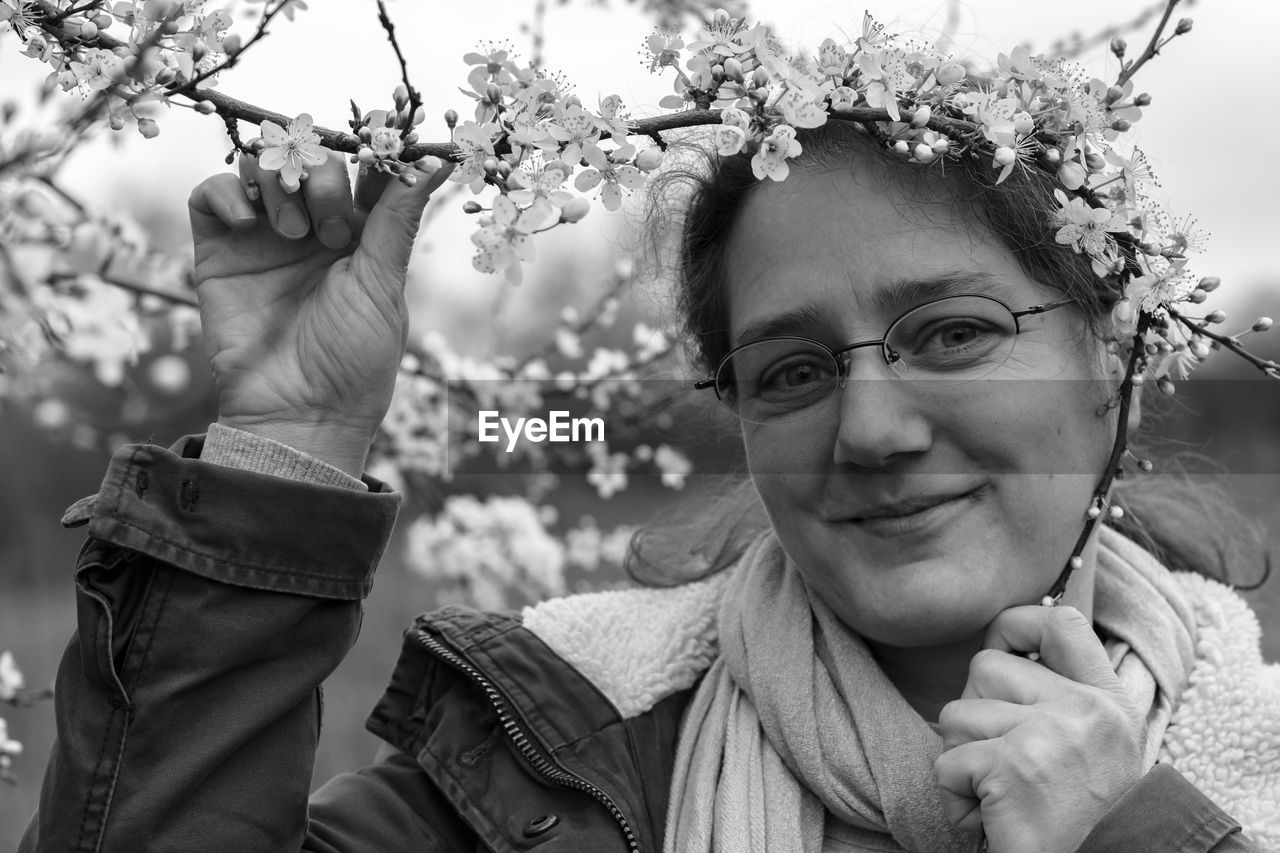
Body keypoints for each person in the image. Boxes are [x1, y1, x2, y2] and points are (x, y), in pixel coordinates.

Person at [19, 29, 1279, 853]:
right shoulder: (554, 760)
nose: (875, 428)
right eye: (788, 370)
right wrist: (284, 443)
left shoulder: (1251, 768)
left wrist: (1129, 834)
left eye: (950, 333)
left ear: (1108, 367)